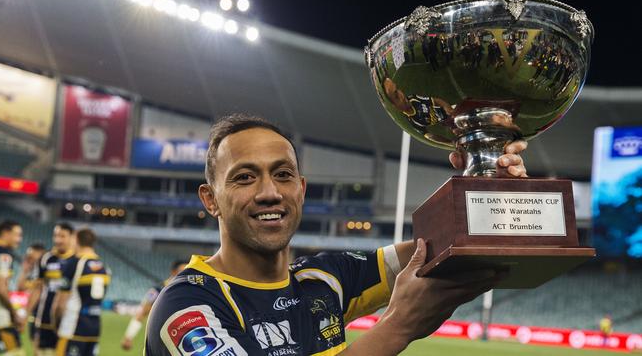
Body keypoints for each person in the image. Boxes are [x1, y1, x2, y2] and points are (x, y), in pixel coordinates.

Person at [144, 114, 527, 355]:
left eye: (283, 174)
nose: (269, 192)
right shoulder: (188, 306)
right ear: (210, 200)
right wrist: (397, 328)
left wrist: (483, 184)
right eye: (244, 177)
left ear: (301, 189)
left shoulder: (323, 280)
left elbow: (440, 249)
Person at [54, 228, 110, 356]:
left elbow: (60, 303)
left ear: (76, 239)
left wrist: (56, 323)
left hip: (73, 328)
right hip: (94, 328)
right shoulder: (103, 266)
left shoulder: (74, 264)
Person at [26, 223, 75, 356]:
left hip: (68, 321)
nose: (58, 240)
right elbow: (37, 289)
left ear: (72, 237)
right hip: (44, 319)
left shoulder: (77, 260)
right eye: (56, 236)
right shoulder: (46, 258)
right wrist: (26, 314)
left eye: (62, 236)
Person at [121, 260, 187, 351]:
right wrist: (129, 337)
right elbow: (142, 312)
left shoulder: (187, 291)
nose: (185, 274)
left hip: (183, 340)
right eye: (182, 271)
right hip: (160, 342)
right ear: (173, 272)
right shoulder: (157, 290)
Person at [0, 220, 24, 355]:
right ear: (5, 233)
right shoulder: (3, 253)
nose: (20, 239)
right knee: (15, 352)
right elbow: (1, 289)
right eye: (17, 235)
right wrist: (14, 313)